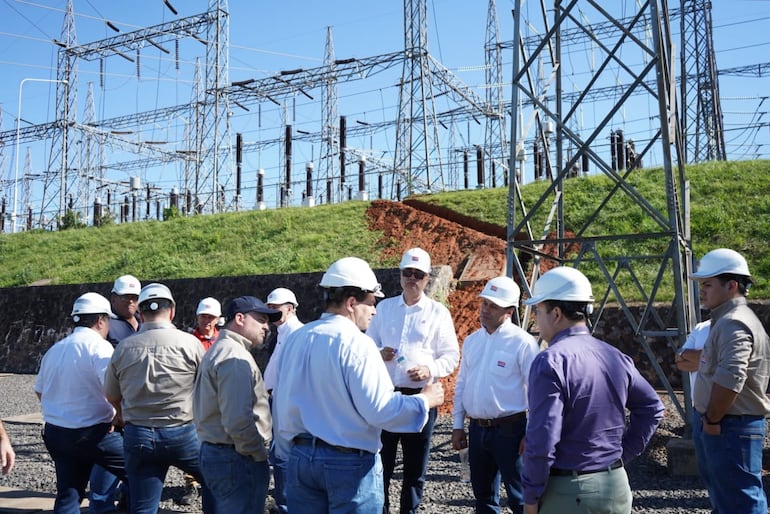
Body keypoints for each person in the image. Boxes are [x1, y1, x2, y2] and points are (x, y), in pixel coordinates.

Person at [272, 256, 445, 514]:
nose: (375, 310)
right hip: (348, 465)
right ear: (352, 303)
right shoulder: (357, 343)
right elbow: (381, 410)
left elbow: (282, 404)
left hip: (301, 459)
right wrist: (425, 400)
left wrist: (289, 453)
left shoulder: (298, 338)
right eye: (371, 303)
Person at [521, 266, 664, 514]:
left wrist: (531, 495)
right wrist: (622, 454)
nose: (535, 318)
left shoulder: (550, 361)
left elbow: (543, 439)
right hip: (615, 486)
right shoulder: (615, 356)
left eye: (537, 310)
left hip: (568, 492)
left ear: (556, 313)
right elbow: (652, 408)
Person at [104, 283, 213, 514]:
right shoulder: (190, 343)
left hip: (139, 433)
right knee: (214, 481)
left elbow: (111, 394)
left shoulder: (123, 348)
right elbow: (208, 389)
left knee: (143, 506)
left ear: (140, 314)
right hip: (183, 431)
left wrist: (121, 413)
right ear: (172, 310)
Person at [366, 247, 459, 514]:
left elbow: (451, 355)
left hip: (421, 398)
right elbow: (366, 345)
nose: (412, 279)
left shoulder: (438, 313)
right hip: (386, 396)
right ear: (400, 275)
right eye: (408, 273)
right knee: (381, 463)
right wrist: (378, 353)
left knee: (415, 469)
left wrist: (429, 369)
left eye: (418, 274)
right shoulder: (383, 309)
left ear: (427, 278)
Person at [688, 248, 770, 514]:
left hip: (729, 425)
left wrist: (711, 420)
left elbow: (731, 377)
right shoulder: (727, 320)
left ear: (731, 285)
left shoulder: (734, 323)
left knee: (741, 502)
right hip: (728, 424)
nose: (702, 290)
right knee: (729, 500)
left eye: (708, 284)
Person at [451, 276, 539, 514]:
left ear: (510, 310)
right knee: (483, 497)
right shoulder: (471, 341)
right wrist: (458, 425)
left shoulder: (523, 343)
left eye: (493, 305)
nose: (485, 309)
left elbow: (536, 392)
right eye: (484, 303)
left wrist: (531, 433)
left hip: (511, 431)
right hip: (477, 429)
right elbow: (462, 384)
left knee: (520, 497)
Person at [34, 292, 128, 513]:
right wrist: (118, 414)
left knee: (68, 494)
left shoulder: (55, 349)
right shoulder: (100, 347)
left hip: (57, 433)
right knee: (141, 472)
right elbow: (113, 390)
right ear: (101, 320)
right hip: (94, 433)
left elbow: (39, 391)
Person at [193, 296, 281, 514]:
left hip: (220, 451)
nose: (266, 327)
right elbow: (238, 420)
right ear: (240, 318)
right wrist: (257, 453)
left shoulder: (222, 348)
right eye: (260, 319)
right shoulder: (234, 356)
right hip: (237, 456)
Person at [90, 274, 142, 513]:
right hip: (115, 407)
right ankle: (101, 505)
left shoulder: (141, 320)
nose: (130, 302)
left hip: (136, 405)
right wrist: (111, 408)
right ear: (113, 297)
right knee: (109, 463)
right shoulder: (107, 325)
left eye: (134, 298)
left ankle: (126, 502)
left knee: (136, 463)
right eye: (125, 298)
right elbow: (101, 371)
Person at [177, 296, 223, 507]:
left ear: (218, 319)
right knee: (194, 441)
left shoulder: (223, 340)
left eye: (211, 317)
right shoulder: (187, 340)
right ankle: (192, 483)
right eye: (204, 316)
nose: (207, 321)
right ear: (197, 317)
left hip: (218, 397)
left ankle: (214, 481)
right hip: (194, 398)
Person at [262, 287, 304, 514]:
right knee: (279, 453)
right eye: (269, 308)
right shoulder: (280, 333)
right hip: (276, 399)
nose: (271, 313)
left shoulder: (297, 333)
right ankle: (284, 502)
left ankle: (287, 504)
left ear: (289, 308)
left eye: (275, 308)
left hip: (286, 401)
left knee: (283, 454)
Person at [674, 319, 710, 393]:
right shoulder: (701, 327)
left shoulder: (734, 326)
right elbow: (681, 363)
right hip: (698, 402)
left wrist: (685, 354)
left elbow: (717, 358)